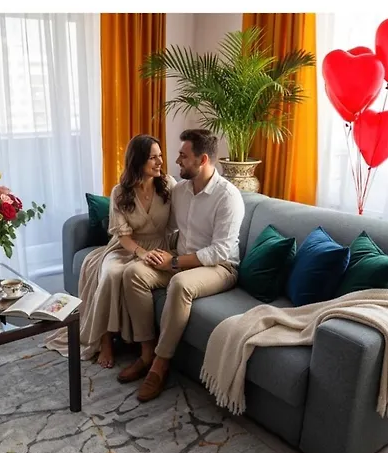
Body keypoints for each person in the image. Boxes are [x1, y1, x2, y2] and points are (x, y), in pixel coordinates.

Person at [118, 129, 245, 401]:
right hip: (182, 257)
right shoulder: (180, 191)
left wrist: (173, 261)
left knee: (179, 283)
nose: (176, 161)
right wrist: (149, 252)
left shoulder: (228, 197)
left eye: (183, 156)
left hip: (220, 268)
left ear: (202, 160)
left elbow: (220, 251)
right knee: (133, 273)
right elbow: (167, 226)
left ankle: (160, 364)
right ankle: (146, 353)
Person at [45, 134, 177, 368]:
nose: (160, 162)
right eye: (153, 158)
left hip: (159, 246)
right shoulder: (120, 192)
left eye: (160, 156)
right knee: (110, 275)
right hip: (125, 247)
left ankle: (134, 343)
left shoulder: (168, 185)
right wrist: (141, 253)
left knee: (129, 276)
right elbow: (122, 236)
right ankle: (105, 341)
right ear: (137, 161)